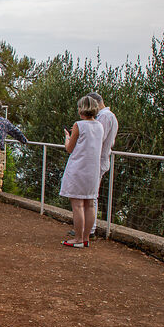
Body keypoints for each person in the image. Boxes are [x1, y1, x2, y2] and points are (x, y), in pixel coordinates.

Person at [59, 95, 104, 248]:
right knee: (90, 204)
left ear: (81, 109)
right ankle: (86, 238)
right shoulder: (99, 126)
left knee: (77, 205)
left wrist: (67, 137)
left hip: (78, 168)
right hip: (93, 169)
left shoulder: (78, 125)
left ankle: (78, 238)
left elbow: (69, 148)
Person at [86, 92, 119, 235]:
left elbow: (99, 138)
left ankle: (90, 230)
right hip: (100, 159)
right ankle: (88, 228)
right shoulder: (108, 116)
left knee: (91, 195)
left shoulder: (105, 116)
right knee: (90, 195)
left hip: (98, 160)